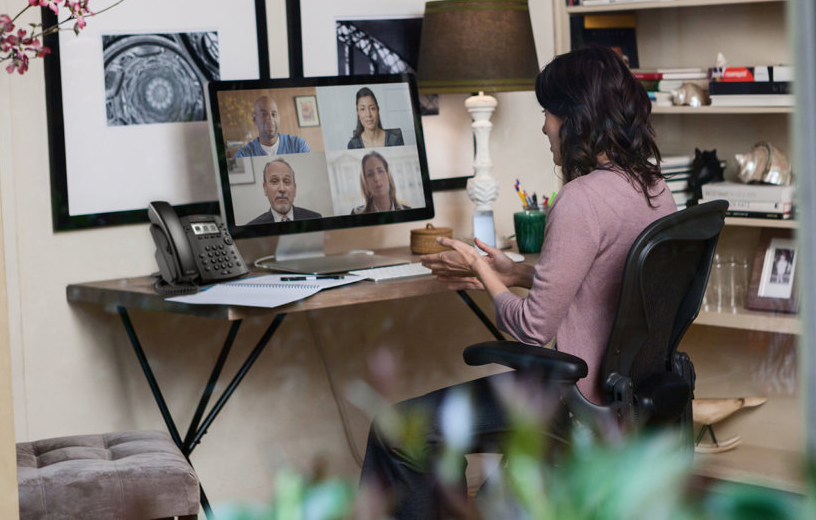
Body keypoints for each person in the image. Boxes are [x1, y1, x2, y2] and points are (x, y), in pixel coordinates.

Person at [359, 45, 676, 518]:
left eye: (548, 112)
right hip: (623, 394)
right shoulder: (654, 187)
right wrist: (519, 272)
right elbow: (610, 281)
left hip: (571, 401)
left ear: (576, 117)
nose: (544, 126)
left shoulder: (579, 199)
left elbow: (529, 329)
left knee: (397, 431)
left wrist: (481, 269)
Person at [246, 159, 321, 224]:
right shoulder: (250, 228)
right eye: (274, 181)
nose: (282, 189)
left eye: (287, 181)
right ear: (265, 189)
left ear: (294, 189)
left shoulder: (316, 219)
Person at [234, 95, 310, 157]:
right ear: (254, 119)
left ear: (279, 118)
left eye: (274, 114)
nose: (270, 120)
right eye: (264, 114)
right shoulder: (243, 155)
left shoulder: (298, 146)